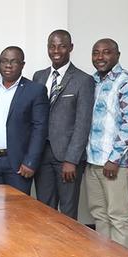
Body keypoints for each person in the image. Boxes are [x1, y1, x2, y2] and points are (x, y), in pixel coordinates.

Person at [85, 38, 128, 248]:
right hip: (93, 161)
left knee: (118, 216)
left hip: (117, 164)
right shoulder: (91, 82)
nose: (100, 57)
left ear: (117, 55)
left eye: (106, 52)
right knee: (99, 214)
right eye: (96, 52)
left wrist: (114, 158)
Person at [33, 30, 95, 220]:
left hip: (66, 157)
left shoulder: (83, 80)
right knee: (44, 209)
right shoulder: (39, 77)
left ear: (71, 48)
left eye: (61, 46)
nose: (56, 50)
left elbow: (83, 123)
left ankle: (68, 250)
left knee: (67, 212)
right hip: (42, 154)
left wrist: (72, 160)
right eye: (52, 46)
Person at [0, 46, 49, 194]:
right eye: (3, 61)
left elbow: (39, 129)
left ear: (22, 64)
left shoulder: (35, 90)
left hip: (18, 162)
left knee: (17, 212)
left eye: (13, 61)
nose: (8, 65)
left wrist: (30, 162)